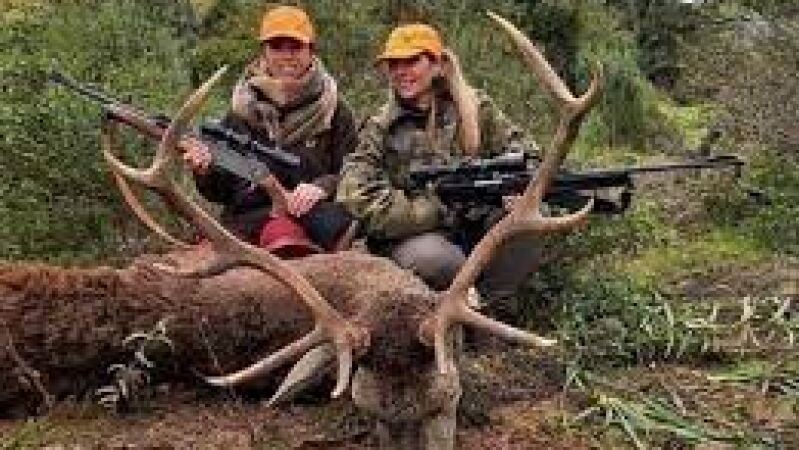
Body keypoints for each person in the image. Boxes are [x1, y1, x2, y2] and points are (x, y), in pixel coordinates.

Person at [336, 23, 543, 301]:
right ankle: (451, 307)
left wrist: (516, 190)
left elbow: (528, 154)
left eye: (412, 61)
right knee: (440, 261)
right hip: (412, 237)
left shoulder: (477, 109)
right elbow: (354, 195)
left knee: (525, 227)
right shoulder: (379, 128)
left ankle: (489, 305)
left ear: (437, 65)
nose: (401, 71)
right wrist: (431, 209)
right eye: (394, 64)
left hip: (473, 224)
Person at [183, 5, 357, 257]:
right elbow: (220, 192)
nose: (286, 56)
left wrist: (322, 187)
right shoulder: (240, 112)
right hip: (244, 223)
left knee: (286, 239)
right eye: (276, 47)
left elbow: (354, 172)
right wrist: (204, 171)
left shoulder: (335, 111)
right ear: (263, 52)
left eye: (295, 47)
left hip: (307, 223)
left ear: (311, 50)